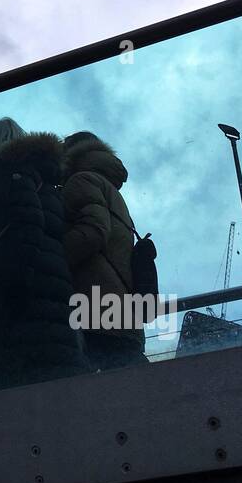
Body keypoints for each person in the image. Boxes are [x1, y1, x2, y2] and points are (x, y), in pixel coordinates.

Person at [0, 118, 89, 398]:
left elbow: (26, 225)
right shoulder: (47, 183)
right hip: (52, 288)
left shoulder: (4, 170)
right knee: (52, 377)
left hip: (15, 292)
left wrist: (11, 283)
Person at [59, 131, 148, 370]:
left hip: (95, 310)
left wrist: (53, 258)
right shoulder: (110, 188)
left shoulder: (81, 181)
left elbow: (94, 231)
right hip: (120, 311)